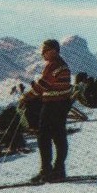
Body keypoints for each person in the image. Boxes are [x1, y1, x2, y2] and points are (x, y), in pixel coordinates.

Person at [24, 39, 75, 183]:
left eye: (44, 51)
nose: (42, 54)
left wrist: (26, 97)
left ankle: (46, 171)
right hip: (62, 104)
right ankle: (59, 169)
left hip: (52, 105)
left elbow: (42, 86)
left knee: (44, 136)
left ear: (53, 51)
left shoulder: (54, 66)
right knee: (59, 135)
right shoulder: (62, 64)